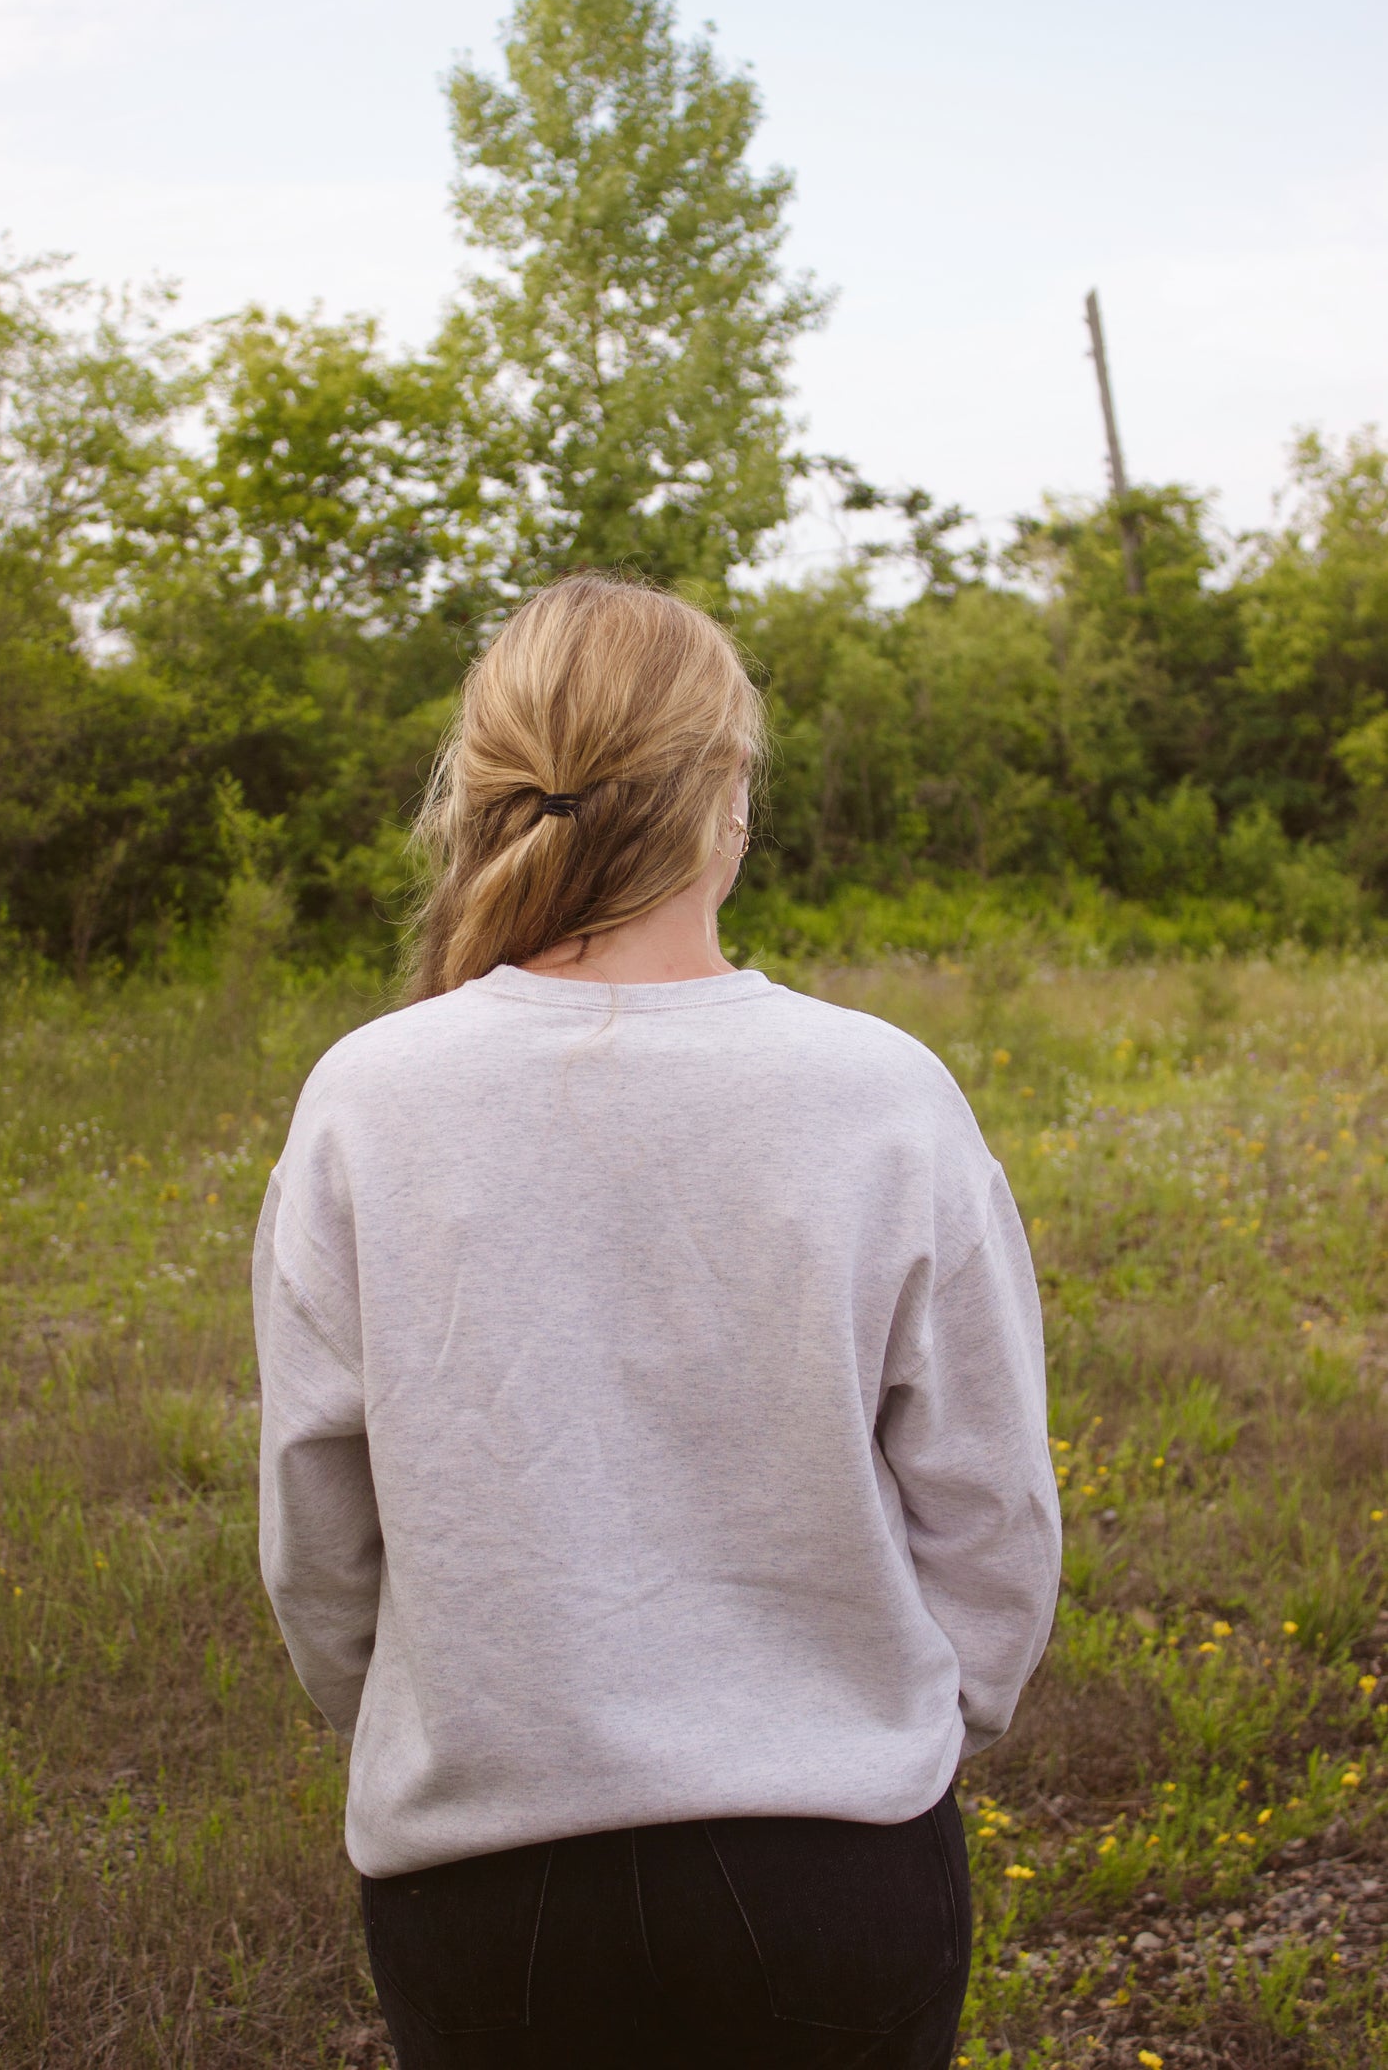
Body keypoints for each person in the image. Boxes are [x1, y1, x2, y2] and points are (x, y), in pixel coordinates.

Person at [253, 575, 1061, 2070]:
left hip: (483, 1885)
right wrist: (912, 1719)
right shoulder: (880, 1091)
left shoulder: (367, 1098)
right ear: (725, 800)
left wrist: (447, 1718)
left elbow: (319, 1522)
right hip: (832, 1864)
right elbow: (989, 1502)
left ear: (486, 799)